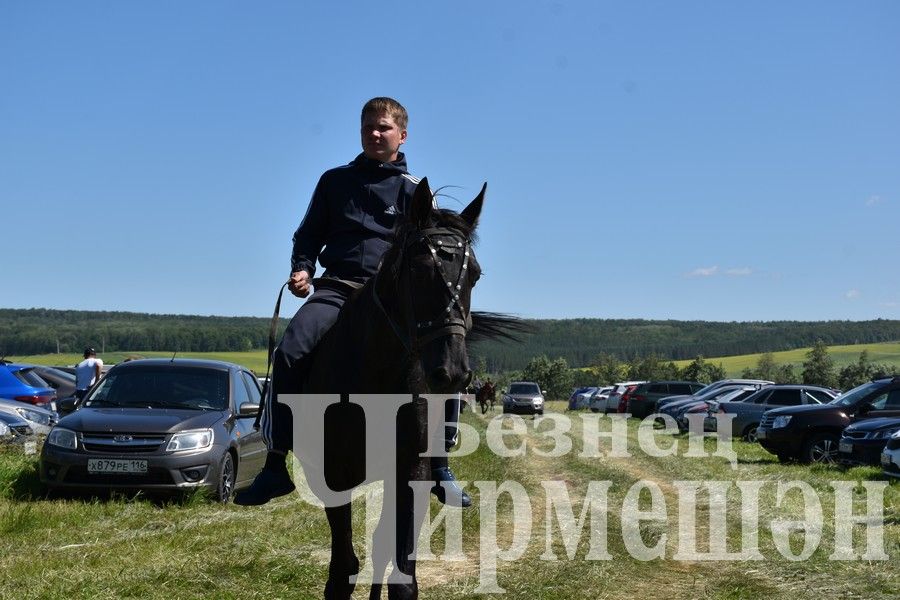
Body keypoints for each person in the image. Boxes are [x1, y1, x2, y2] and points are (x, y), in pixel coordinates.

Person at [236, 97, 471, 507]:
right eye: (368, 128)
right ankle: (275, 464)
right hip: (339, 288)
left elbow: (432, 251)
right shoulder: (333, 181)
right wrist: (303, 268)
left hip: (394, 302)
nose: (375, 134)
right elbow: (307, 234)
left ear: (402, 134)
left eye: (383, 127)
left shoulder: (417, 191)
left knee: (441, 358)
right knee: (290, 351)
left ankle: (439, 465)